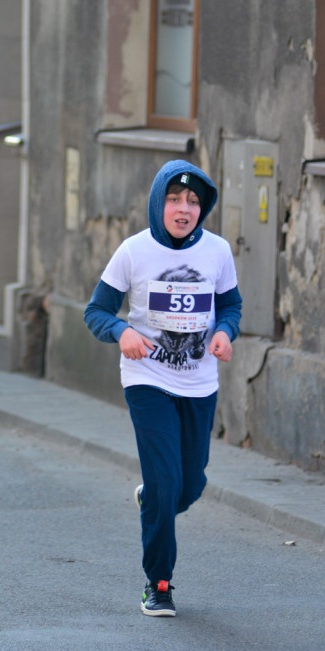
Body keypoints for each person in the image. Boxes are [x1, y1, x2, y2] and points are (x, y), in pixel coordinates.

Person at [83, 160, 242, 618]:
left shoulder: (217, 251)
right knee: (166, 478)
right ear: (159, 203)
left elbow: (230, 305)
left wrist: (226, 332)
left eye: (193, 201)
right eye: (174, 199)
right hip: (147, 381)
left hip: (200, 384)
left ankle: (153, 498)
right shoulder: (133, 252)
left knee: (188, 486)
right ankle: (159, 584)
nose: (183, 209)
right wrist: (121, 331)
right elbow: (96, 311)